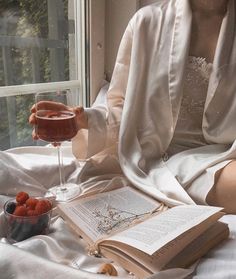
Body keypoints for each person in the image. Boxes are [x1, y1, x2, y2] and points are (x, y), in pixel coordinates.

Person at [30, 0, 236, 213]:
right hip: (162, 158)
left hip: (225, 152)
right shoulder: (146, 22)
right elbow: (122, 107)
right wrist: (84, 120)